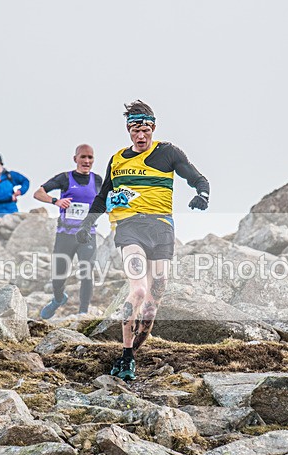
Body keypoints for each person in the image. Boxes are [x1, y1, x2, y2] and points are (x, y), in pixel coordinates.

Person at [75, 100, 210, 380]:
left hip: (161, 229)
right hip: (129, 227)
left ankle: (130, 354)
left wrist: (202, 195)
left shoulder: (168, 152)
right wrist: (87, 224)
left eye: (145, 130)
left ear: (153, 129)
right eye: (135, 131)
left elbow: (198, 178)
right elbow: (102, 197)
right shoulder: (118, 160)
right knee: (137, 291)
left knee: (152, 301)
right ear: (128, 131)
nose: (140, 136)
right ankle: (126, 356)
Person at [34, 144, 102, 318]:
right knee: (58, 276)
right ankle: (58, 299)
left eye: (90, 157)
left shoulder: (97, 180)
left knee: (87, 273)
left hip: (87, 235)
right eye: (83, 157)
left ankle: (83, 312)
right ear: (75, 159)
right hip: (65, 234)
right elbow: (38, 193)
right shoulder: (65, 178)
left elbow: (105, 202)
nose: (86, 161)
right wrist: (55, 201)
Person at [0, 153, 30, 218]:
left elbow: (25, 181)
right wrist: (10, 197)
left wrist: (20, 191)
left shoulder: (10, 175)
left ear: (1, 165)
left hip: (11, 210)